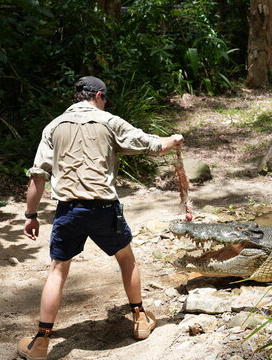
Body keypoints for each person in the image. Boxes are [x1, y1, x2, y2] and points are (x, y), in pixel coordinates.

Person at [17, 76, 184, 360]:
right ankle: (140, 319)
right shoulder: (110, 122)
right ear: (99, 96)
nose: (105, 103)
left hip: (68, 210)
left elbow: (37, 176)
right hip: (104, 209)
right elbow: (153, 145)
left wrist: (30, 215)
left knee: (57, 270)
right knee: (126, 259)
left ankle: (41, 342)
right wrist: (175, 139)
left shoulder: (53, 126)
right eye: (105, 99)